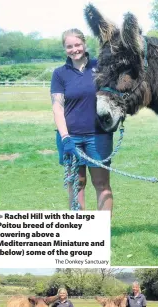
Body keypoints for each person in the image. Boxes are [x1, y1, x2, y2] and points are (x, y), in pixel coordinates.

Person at [50, 28, 113, 212]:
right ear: (64, 49)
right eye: (69, 46)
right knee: (77, 185)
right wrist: (65, 137)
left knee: (101, 184)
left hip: (99, 136)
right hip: (71, 138)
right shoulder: (59, 74)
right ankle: (80, 232)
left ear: (84, 44)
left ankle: (101, 233)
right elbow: (57, 107)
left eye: (77, 44)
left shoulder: (100, 67)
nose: (74, 49)